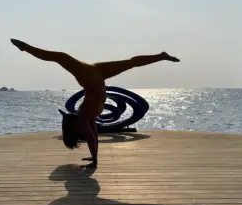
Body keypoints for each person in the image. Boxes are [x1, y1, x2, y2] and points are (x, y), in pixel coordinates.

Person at [10, 38, 180, 168]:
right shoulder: (85, 114)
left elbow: (92, 136)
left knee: (60, 57)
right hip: (95, 73)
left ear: (73, 127)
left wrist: (95, 159)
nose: (81, 129)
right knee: (130, 63)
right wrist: (95, 158)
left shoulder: (85, 115)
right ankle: (160, 56)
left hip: (89, 75)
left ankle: (25, 48)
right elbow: (93, 136)